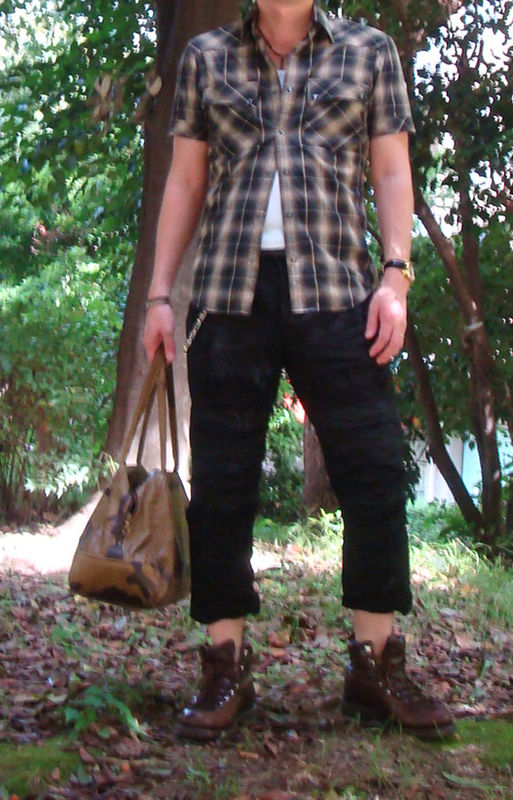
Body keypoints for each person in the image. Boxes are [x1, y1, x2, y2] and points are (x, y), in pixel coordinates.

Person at [143, 0, 454, 742]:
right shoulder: (207, 57)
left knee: (375, 474)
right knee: (222, 487)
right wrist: (159, 293)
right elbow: (184, 181)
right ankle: (225, 665)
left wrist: (396, 277)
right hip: (228, 296)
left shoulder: (369, 51)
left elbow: (391, 168)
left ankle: (374, 665)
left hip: (340, 294)